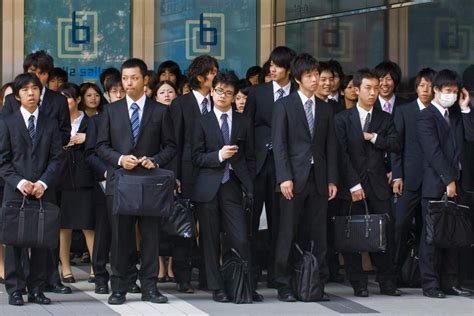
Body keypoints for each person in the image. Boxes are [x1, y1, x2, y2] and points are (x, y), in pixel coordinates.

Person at [96, 58, 176, 305]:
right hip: (121, 181)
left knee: (151, 236)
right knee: (120, 237)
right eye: (125, 78)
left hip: (150, 183)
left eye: (134, 78)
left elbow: (171, 146)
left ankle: (150, 287)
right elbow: (100, 146)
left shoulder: (160, 111)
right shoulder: (111, 110)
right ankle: (119, 287)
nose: (128, 83)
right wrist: (120, 159)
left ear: (145, 80)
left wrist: (156, 160)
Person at [2, 50, 72, 295]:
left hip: (45, 186)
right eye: (25, 88)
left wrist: (43, 181)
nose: (31, 92)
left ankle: (39, 288)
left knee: (43, 239)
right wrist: (19, 180)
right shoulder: (8, 117)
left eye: (36, 86)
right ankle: (15, 289)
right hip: (16, 187)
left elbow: (58, 153)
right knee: (15, 241)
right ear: (18, 94)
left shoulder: (51, 118)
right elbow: (4, 157)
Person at [191, 71, 262, 303]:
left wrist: (247, 183)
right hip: (208, 187)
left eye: (228, 93)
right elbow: (196, 157)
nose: (223, 96)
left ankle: (244, 285)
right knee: (210, 240)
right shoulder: (201, 122)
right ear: (212, 92)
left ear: (234, 96)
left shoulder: (243, 122)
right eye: (219, 91)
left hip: (233, 185)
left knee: (240, 237)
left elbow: (251, 156)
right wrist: (218, 156)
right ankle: (217, 287)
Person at [272, 53, 338, 302]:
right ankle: (283, 283)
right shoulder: (284, 106)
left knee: (318, 234)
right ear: (298, 79)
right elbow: (279, 145)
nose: (315, 80)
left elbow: (330, 146)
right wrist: (284, 178)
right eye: (310, 75)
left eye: (316, 75)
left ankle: (316, 283)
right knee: (288, 232)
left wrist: (332, 179)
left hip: (318, 179)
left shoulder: (325, 108)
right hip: (293, 180)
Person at [335, 68, 401, 297]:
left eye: (375, 88)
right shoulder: (342, 119)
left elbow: (394, 143)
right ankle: (359, 283)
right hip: (352, 185)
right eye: (368, 88)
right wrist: (353, 184)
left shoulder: (385, 117)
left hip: (379, 186)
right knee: (353, 237)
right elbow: (341, 155)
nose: (373, 93)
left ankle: (387, 281)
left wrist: (373, 137)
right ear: (356, 89)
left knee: (384, 234)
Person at [416, 69, 474, 298]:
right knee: (431, 237)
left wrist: (465, 107)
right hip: (436, 183)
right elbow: (433, 152)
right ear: (436, 91)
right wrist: (448, 179)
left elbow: (470, 136)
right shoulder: (426, 116)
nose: (451, 95)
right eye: (447, 91)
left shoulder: (457, 114)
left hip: (458, 184)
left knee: (454, 236)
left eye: (454, 91)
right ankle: (430, 284)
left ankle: (450, 282)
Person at [244, 46, 296, 288]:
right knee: (252, 222)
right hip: (259, 165)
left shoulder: (297, 94)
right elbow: (248, 128)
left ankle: (278, 275)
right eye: (271, 64)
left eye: (278, 65)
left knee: (280, 223)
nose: (272, 69)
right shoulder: (258, 93)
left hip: (285, 169)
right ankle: (252, 274)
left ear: (289, 69)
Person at [170, 55, 219, 292]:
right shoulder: (181, 104)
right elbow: (174, 143)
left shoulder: (219, 102)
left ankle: (209, 278)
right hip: (188, 174)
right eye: (213, 72)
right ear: (201, 77)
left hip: (214, 174)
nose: (216, 75)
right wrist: (175, 175)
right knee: (185, 227)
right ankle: (183, 277)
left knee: (210, 229)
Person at [391, 68, 436, 269]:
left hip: (433, 181)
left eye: (430, 85)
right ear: (416, 88)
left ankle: (419, 273)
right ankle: (394, 270)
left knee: (428, 229)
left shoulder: (439, 112)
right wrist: (397, 175)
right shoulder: (404, 111)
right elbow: (396, 147)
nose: (425, 89)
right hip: (409, 179)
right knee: (400, 224)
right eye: (422, 85)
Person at [56, 83, 95, 284]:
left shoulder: (91, 122)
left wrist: (86, 138)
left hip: (85, 179)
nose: (65, 102)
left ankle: (95, 269)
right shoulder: (55, 122)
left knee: (89, 225)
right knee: (64, 226)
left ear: (78, 100)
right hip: (62, 179)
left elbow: (102, 143)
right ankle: (66, 268)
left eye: (68, 97)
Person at [152, 79, 179, 283]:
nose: (167, 95)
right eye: (163, 92)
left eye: (171, 91)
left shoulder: (181, 117)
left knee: (177, 222)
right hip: (156, 175)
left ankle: (174, 265)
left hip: (176, 175)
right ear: (155, 97)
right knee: (157, 224)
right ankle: (160, 265)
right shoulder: (153, 116)